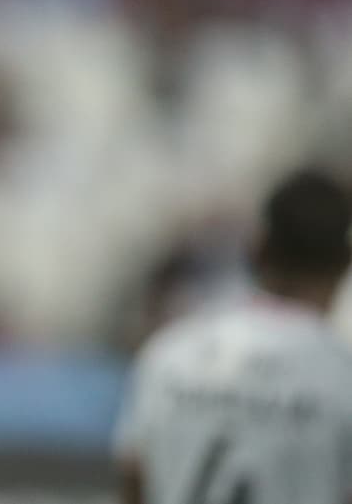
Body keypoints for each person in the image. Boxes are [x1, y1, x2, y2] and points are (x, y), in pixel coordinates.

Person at [114, 169, 352, 504]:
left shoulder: (169, 353)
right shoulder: (342, 377)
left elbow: (134, 480)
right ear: (344, 261)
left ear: (257, 247)